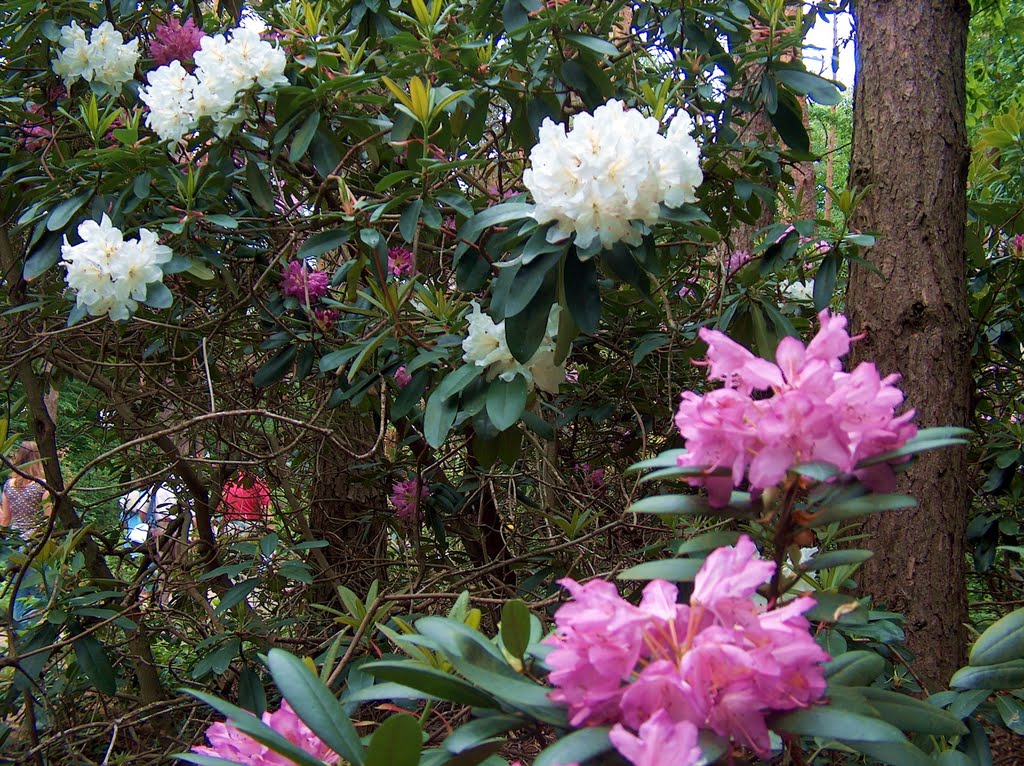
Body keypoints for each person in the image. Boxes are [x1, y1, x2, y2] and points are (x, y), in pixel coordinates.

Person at [0, 441, 52, 626]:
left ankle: (19, 633)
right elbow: (48, 519)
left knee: (18, 591)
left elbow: (5, 519)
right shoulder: (43, 486)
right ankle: (37, 633)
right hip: (36, 543)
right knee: (40, 590)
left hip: (15, 544)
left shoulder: (9, 485)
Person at [218, 471, 271, 536]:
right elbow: (266, 511)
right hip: (253, 526)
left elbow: (219, 508)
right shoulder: (258, 481)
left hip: (230, 527)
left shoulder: (228, 481)